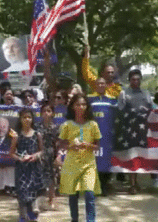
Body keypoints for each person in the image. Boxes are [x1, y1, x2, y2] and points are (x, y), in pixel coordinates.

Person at [58, 93, 101, 222]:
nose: (81, 107)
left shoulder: (93, 125)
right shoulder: (67, 125)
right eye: (78, 104)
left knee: (89, 193)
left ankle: (90, 220)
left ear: (87, 106)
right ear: (72, 106)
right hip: (72, 164)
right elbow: (61, 143)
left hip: (88, 164)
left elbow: (97, 147)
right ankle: (74, 218)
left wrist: (87, 145)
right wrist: (70, 146)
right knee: (72, 195)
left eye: (83, 104)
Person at [113, 69, 153, 194]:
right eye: (133, 79)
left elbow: (153, 108)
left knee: (140, 155)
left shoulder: (146, 93)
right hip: (129, 130)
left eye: (138, 79)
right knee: (132, 155)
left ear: (140, 80)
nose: (135, 81)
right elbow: (119, 110)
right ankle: (133, 184)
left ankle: (137, 182)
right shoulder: (123, 94)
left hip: (142, 130)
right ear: (129, 80)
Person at [9, 108, 44, 222]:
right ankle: (23, 218)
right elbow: (11, 153)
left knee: (33, 194)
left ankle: (33, 217)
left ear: (32, 119)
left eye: (29, 117)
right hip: (21, 170)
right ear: (20, 119)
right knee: (23, 195)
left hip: (34, 169)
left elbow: (41, 151)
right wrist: (20, 158)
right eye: (24, 117)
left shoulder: (37, 134)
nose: (27, 119)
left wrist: (34, 156)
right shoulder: (17, 135)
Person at [87, 78, 118, 196]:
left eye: (103, 83)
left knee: (106, 161)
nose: (100, 85)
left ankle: (104, 185)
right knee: (94, 161)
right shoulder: (89, 99)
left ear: (106, 85)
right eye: (98, 83)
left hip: (107, 136)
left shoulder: (112, 101)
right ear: (95, 85)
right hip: (93, 136)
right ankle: (94, 185)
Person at [36, 103, 59, 210]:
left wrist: (58, 156)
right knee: (39, 176)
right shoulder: (37, 127)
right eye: (44, 111)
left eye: (49, 111)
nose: (46, 113)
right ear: (41, 113)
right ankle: (39, 200)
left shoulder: (55, 127)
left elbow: (58, 143)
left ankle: (51, 199)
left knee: (51, 177)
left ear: (52, 113)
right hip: (40, 153)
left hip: (51, 154)